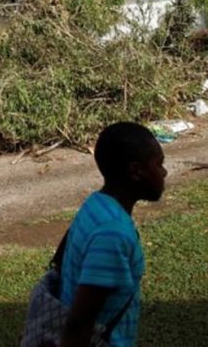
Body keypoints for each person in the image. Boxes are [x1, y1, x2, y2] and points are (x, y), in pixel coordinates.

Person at [59, 122, 167, 346]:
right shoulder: (113, 235)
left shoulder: (95, 205)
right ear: (136, 171)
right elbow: (79, 324)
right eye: (159, 164)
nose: (164, 172)